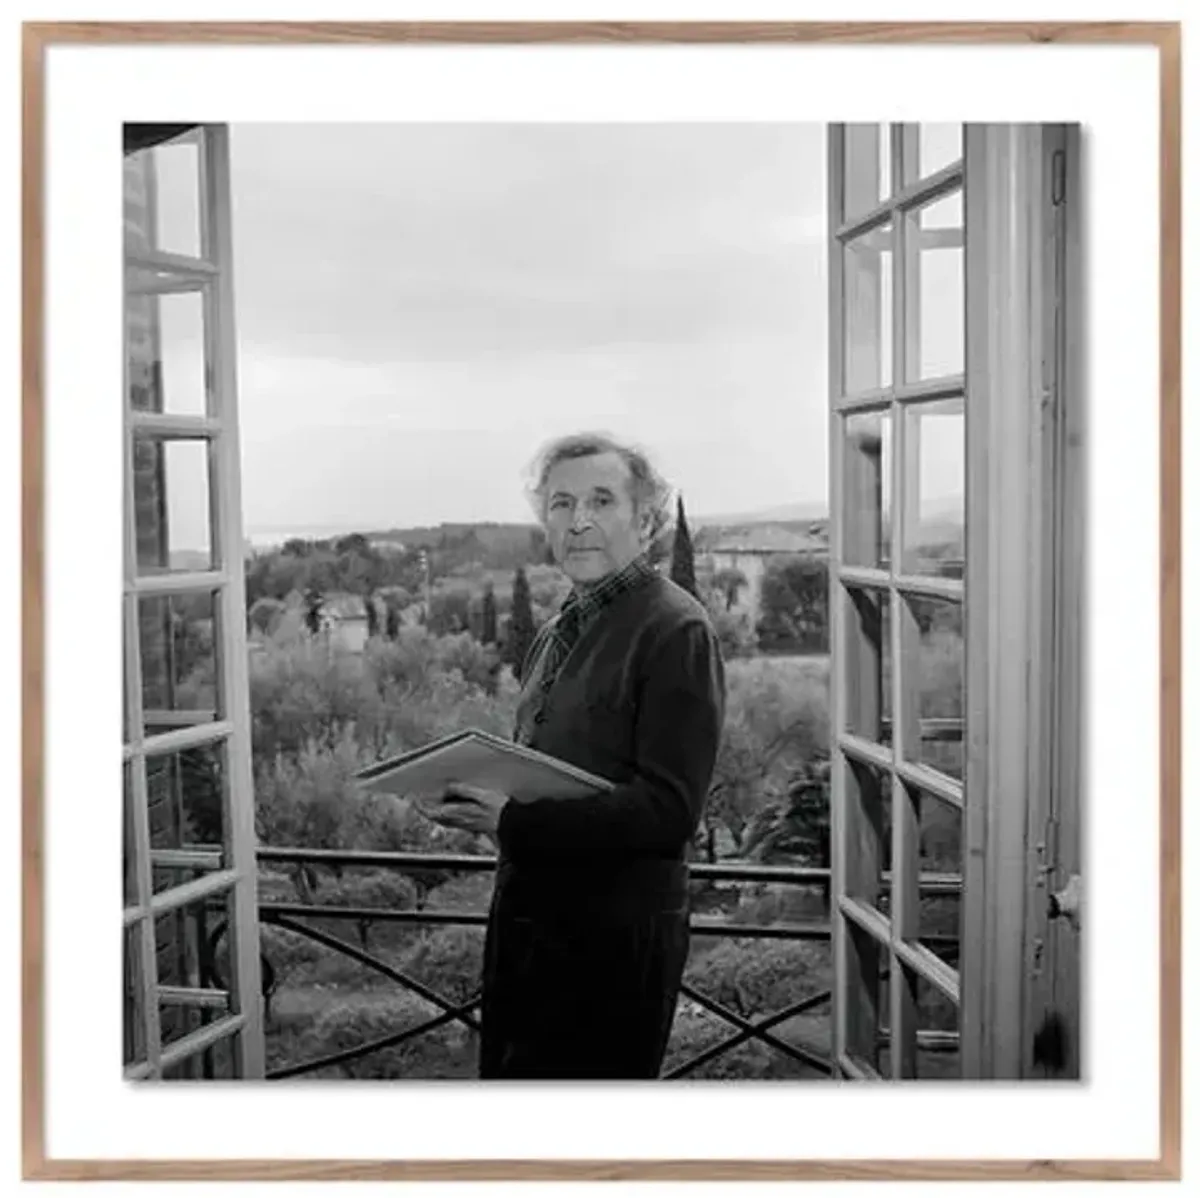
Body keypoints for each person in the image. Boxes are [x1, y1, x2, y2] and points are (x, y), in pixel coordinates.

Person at [424, 432, 726, 1079]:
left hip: (613, 946)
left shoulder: (677, 630)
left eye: (601, 501)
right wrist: (474, 793)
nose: (578, 521)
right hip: (531, 927)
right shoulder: (562, 626)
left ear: (645, 520)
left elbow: (669, 810)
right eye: (561, 504)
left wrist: (511, 820)